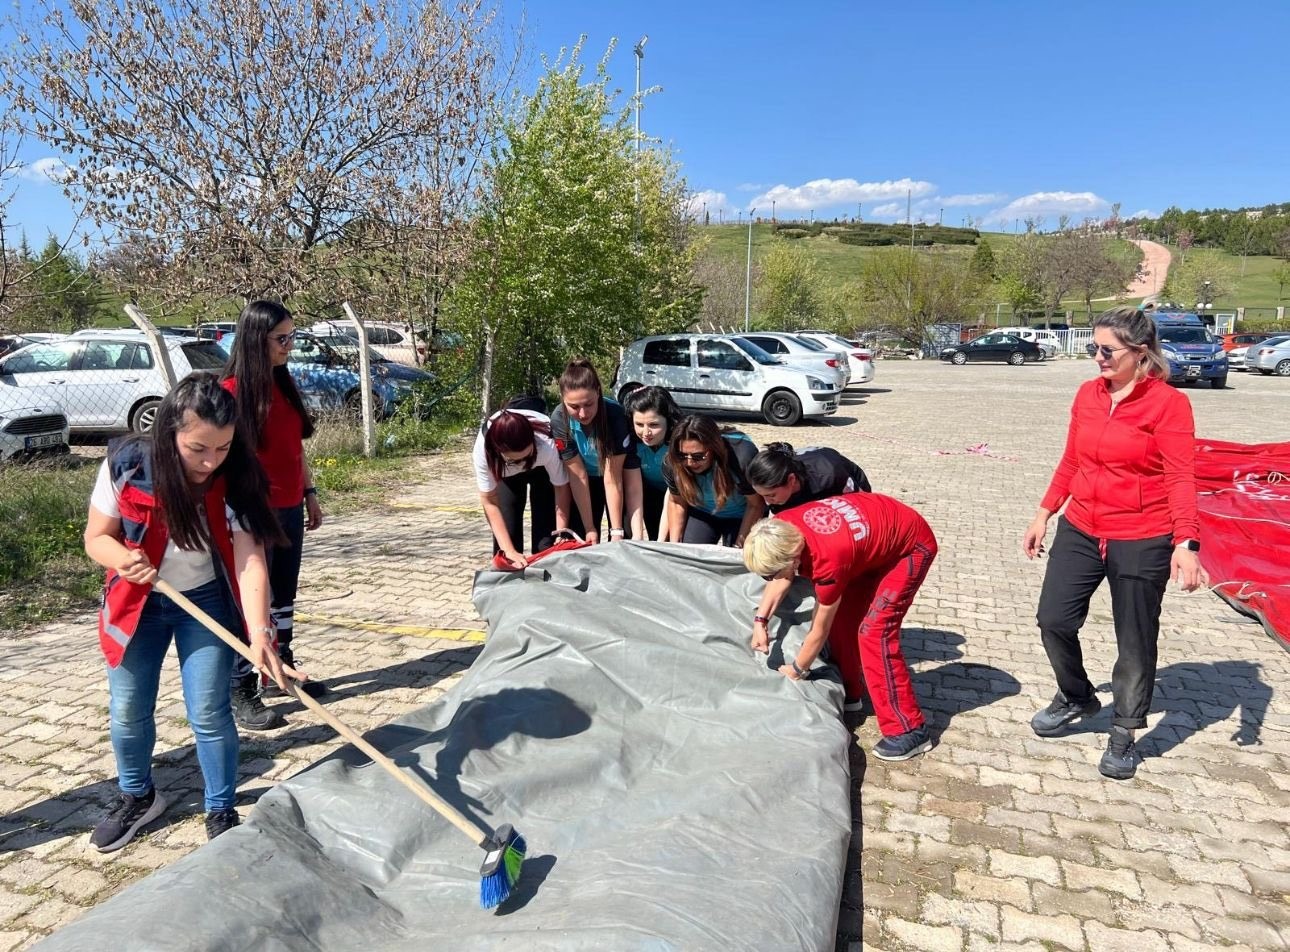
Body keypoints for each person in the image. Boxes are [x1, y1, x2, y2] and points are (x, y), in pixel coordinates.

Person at [83, 373, 302, 851]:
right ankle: (138, 796)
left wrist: (261, 632)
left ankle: (221, 807)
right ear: (168, 435)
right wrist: (123, 559)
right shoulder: (126, 463)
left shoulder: (238, 475)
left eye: (222, 448)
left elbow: (249, 561)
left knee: (208, 709)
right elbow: (96, 537)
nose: (210, 461)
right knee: (127, 708)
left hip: (203, 601)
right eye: (198, 448)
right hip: (137, 602)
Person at [1023, 306, 1206, 780]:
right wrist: (1045, 512)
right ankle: (1077, 694)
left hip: (1143, 535)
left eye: (1106, 350)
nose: (1097, 357)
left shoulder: (1168, 404)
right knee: (1053, 619)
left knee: (1135, 640)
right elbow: (1071, 459)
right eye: (1093, 348)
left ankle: (1124, 731)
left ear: (1140, 353)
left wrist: (1186, 541)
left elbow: (1181, 477)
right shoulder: (1087, 394)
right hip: (1082, 525)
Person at [743, 492, 938, 762]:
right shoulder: (780, 527)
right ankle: (851, 690)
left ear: (792, 558)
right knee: (844, 622)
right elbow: (781, 578)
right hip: (869, 545)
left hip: (910, 546)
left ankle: (910, 729)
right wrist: (760, 622)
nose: (769, 579)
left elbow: (818, 630)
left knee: (875, 632)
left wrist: (798, 669)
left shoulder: (828, 560)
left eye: (770, 573)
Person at [221, 300, 325, 731]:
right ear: (255, 340)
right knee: (254, 602)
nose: (289, 346)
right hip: (252, 514)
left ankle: (281, 667)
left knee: (284, 594)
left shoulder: (283, 384)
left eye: (292, 337)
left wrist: (310, 493)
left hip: (288, 506)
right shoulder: (229, 392)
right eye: (282, 339)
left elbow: (294, 448)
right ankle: (241, 685)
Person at [548, 359, 642, 543]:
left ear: (598, 392)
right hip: (584, 480)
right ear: (562, 398)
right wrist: (589, 528)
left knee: (622, 538)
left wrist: (616, 530)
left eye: (589, 404)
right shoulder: (559, 418)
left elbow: (612, 479)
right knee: (584, 536)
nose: (583, 414)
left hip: (617, 478)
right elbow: (577, 476)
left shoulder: (615, 415)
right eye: (574, 407)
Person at [474, 406, 573, 567]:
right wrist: (509, 550)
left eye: (524, 456)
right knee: (507, 547)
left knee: (547, 544)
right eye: (515, 460)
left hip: (542, 471)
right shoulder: (484, 450)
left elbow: (561, 488)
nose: (521, 464)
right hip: (507, 476)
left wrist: (561, 532)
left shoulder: (546, 443)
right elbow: (489, 501)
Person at [663, 415, 765, 546]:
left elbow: (756, 504)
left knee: (735, 559)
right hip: (703, 513)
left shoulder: (742, 457)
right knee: (690, 554)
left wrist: (739, 545)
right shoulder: (672, 462)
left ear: (714, 448)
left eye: (698, 456)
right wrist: (675, 546)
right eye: (682, 455)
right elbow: (677, 502)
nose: (689, 462)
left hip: (741, 515)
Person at [623, 386, 683, 540]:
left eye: (654, 425)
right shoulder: (631, 442)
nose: (646, 433)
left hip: (680, 496)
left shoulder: (681, 442)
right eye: (640, 425)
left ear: (668, 421)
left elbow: (674, 497)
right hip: (648, 494)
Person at [747, 442, 872, 513]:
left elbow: (863, 506)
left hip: (845, 485)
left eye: (771, 495)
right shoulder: (777, 494)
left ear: (791, 480)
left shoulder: (830, 475)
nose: (767, 502)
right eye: (762, 495)